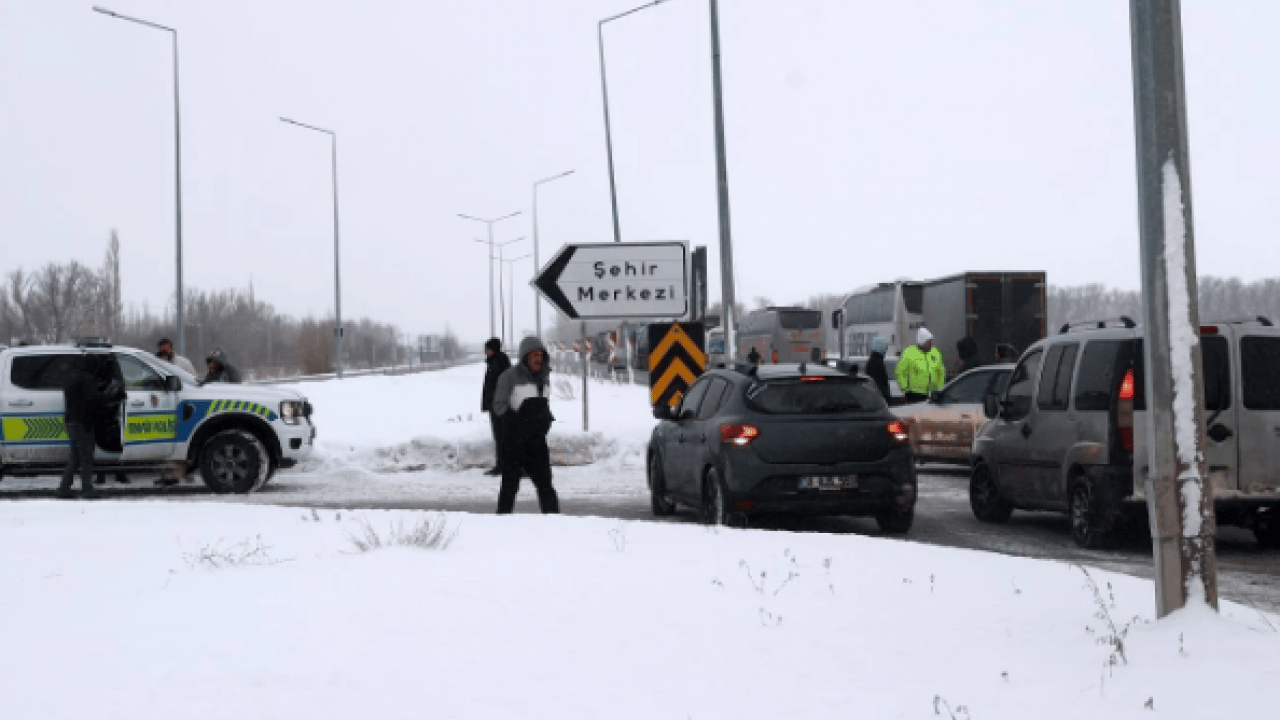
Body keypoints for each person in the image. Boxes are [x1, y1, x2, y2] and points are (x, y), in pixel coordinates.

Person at [491, 336, 559, 515]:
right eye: (534, 355)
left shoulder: (544, 377)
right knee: (509, 487)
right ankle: (501, 523)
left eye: (541, 355)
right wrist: (515, 423)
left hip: (537, 442)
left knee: (546, 486)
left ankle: (555, 524)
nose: (538, 358)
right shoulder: (509, 377)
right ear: (524, 357)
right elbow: (498, 405)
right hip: (514, 443)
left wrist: (546, 419)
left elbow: (544, 402)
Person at [58, 355, 125, 500]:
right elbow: (94, 399)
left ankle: (64, 488)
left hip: (72, 421)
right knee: (86, 458)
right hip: (83, 423)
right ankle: (87, 490)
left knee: (75, 458)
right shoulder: (86, 379)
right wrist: (113, 393)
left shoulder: (72, 377)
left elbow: (85, 397)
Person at [481, 337, 512, 477]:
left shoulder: (500, 362)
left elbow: (503, 385)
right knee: (500, 437)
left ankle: (504, 466)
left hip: (500, 405)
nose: (485, 351)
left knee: (503, 437)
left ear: (493, 349)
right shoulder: (495, 362)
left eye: (487, 348)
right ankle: (502, 465)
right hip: (496, 405)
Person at [895, 328, 946, 403]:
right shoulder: (909, 352)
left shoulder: (935, 352)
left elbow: (941, 371)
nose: (931, 344)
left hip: (933, 394)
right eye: (929, 342)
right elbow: (901, 372)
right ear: (923, 342)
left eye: (932, 341)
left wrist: (940, 388)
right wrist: (905, 389)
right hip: (915, 395)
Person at [865, 336, 892, 404]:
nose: (886, 349)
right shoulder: (877, 362)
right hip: (879, 398)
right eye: (885, 347)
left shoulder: (874, 360)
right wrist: (886, 396)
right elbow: (880, 383)